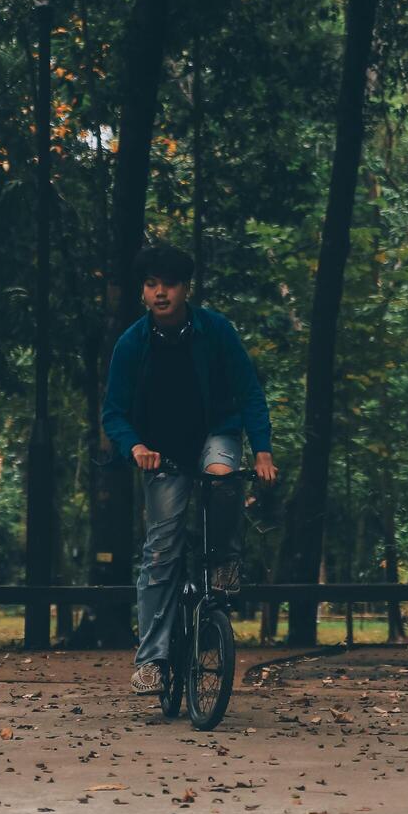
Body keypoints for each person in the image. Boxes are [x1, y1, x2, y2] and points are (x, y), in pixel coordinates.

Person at [102, 243, 278, 695]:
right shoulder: (131, 344)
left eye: (170, 284)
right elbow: (113, 413)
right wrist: (135, 446)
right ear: (144, 291)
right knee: (161, 549)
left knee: (222, 477)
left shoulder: (215, 330)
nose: (160, 293)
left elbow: (249, 391)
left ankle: (224, 561)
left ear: (185, 289)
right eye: (151, 284)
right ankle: (153, 661)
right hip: (161, 449)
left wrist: (262, 451)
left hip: (215, 431)